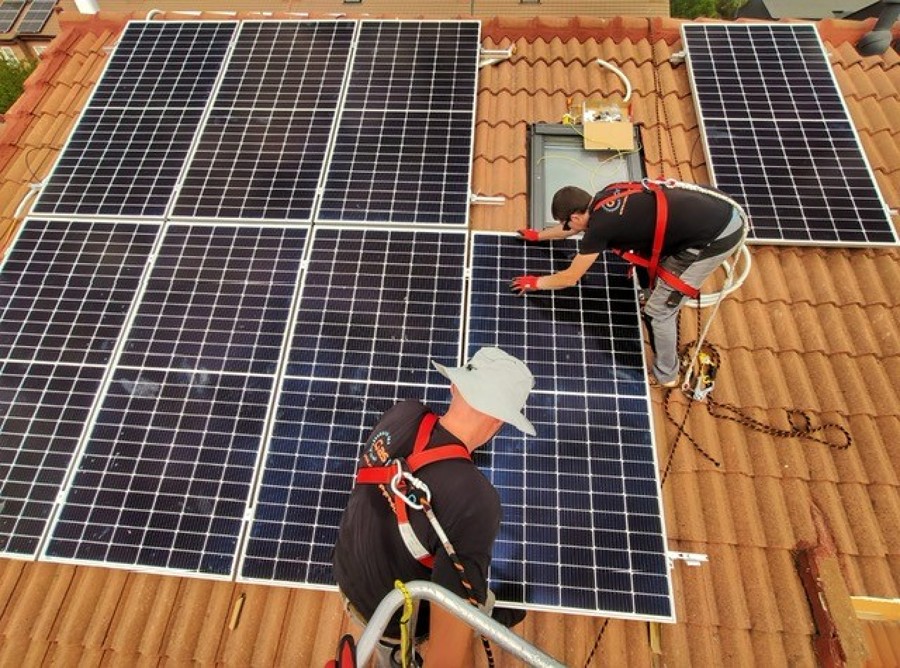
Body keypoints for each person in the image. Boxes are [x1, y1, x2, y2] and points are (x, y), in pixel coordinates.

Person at [332, 346, 536, 667]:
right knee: (472, 598)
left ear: (455, 386)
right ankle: (399, 654)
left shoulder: (403, 412)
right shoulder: (476, 501)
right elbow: (446, 660)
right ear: (500, 420)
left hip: (347, 575)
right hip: (388, 618)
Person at [511, 181, 745, 387]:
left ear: (575, 217)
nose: (567, 230)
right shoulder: (607, 195)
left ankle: (667, 376)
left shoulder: (601, 227)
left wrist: (535, 283)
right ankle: (649, 292)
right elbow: (570, 231)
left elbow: (570, 277)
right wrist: (538, 236)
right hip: (721, 209)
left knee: (657, 312)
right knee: (644, 253)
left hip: (716, 237)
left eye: (567, 225)